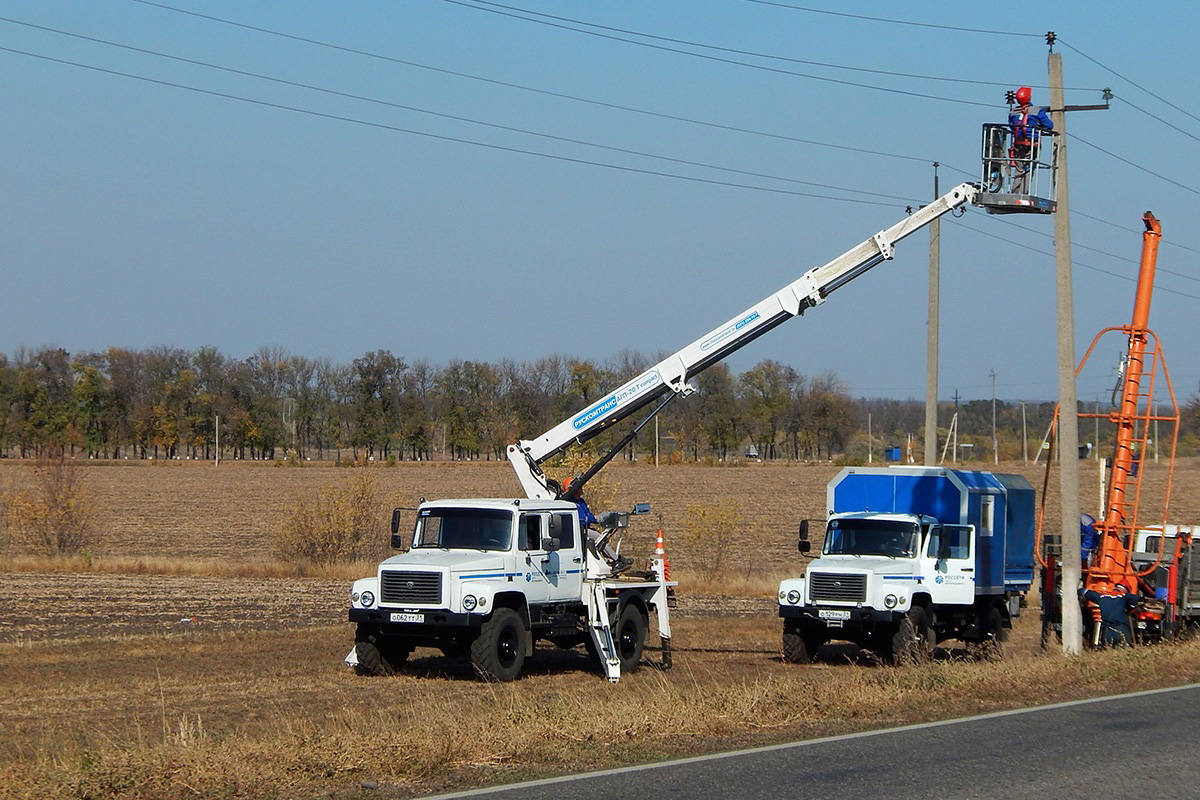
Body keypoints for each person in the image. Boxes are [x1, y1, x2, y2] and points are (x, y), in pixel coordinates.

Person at [1009, 86, 1053, 194]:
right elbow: (1049, 125)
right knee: (1029, 167)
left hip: (1018, 144)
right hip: (1032, 143)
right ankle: (1024, 192)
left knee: (1019, 169)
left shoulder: (1013, 112)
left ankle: (1015, 191)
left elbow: (1012, 126)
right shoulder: (1037, 111)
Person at [1079, 580, 1139, 647]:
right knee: (1124, 650)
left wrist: (1080, 588)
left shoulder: (1102, 597)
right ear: (1126, 590)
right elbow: (1137, 600)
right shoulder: (1125, 597)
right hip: (1121, 629)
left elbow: (1084, 592)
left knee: (1107, 650)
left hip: (1107, 631)